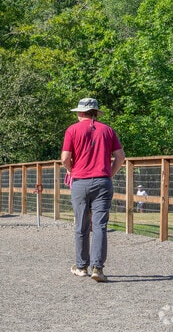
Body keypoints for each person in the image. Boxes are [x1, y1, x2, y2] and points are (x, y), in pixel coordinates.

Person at [61, 98, 125, 282]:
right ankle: (98, 268)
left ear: (81, 113)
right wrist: (109, 174)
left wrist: (73, 170)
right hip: (103, 182)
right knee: (100, 226)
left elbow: (65, 158)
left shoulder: (72, 130)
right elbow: (120, 157)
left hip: (81, 182)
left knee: (81, 225)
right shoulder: (108, 130)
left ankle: (81, 267)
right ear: (96, 112)